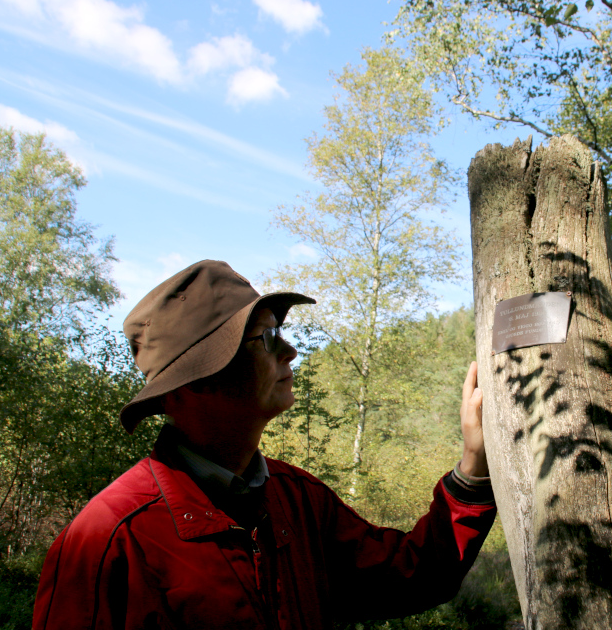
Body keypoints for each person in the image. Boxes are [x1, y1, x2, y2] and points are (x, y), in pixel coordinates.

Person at [32, 260, 495, 630]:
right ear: (195, 382)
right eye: (266, 338)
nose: (289, 351)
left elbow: (410, 576)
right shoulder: (110, 541)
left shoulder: (297, 499)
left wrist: (473, 473)